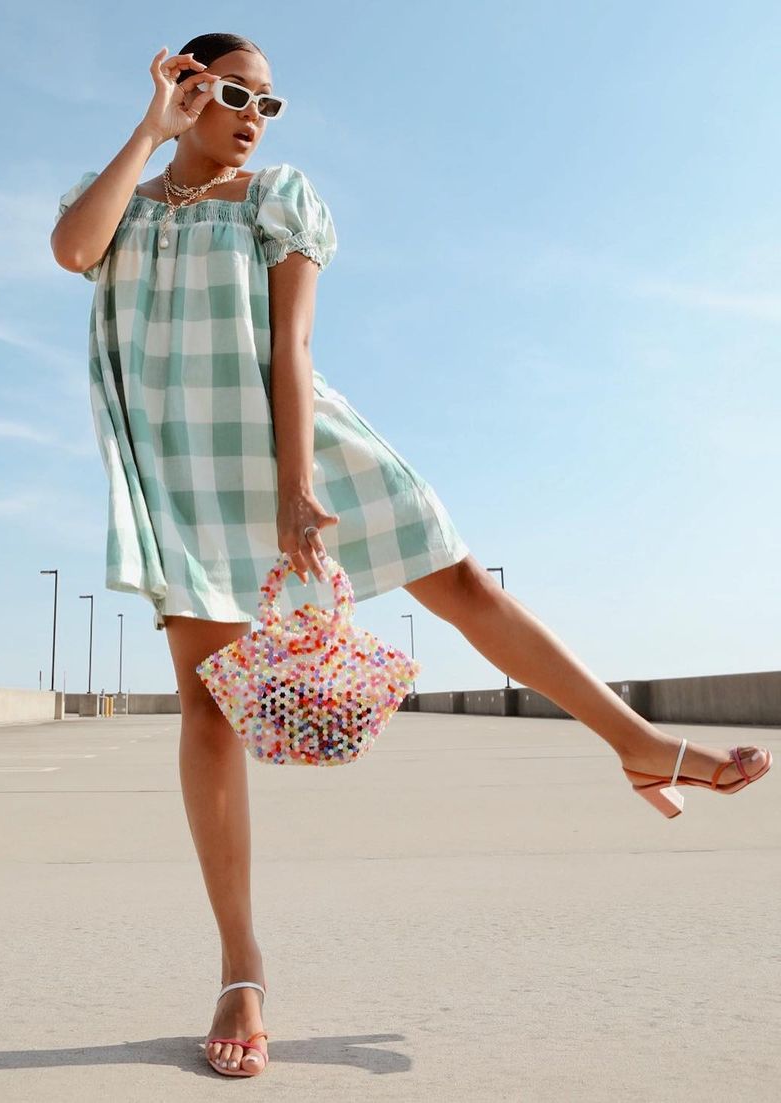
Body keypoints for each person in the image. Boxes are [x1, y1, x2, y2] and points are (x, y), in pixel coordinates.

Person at [50, 32, 772, 1080]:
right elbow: (75, 251)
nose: (258, 112)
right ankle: (241, 966)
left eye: (271, 99)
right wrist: (147, 129)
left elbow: (289, 347)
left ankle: (636, 742)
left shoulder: (279, 195)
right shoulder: (114, 194)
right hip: (184, 470)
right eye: (236, 93)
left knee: (464, 582)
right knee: (209, 704)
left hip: (299, 446)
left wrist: (299, 488)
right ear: (187, 87)